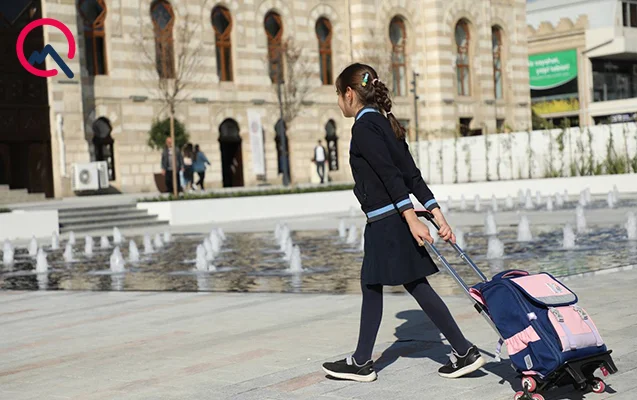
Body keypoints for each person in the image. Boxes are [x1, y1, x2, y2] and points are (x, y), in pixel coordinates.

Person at [321, 63, 485, 382]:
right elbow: (413, 176)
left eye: (339, 95)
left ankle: (361, 363)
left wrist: (413, 220)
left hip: (387, 221)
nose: (339, 102)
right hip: (396, 219)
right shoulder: (386, 124)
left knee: (373, 284)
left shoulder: (364, 127)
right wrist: (437, 215)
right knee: (412, 284)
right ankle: (464, 351)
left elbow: (391, 176)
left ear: (350, 94)